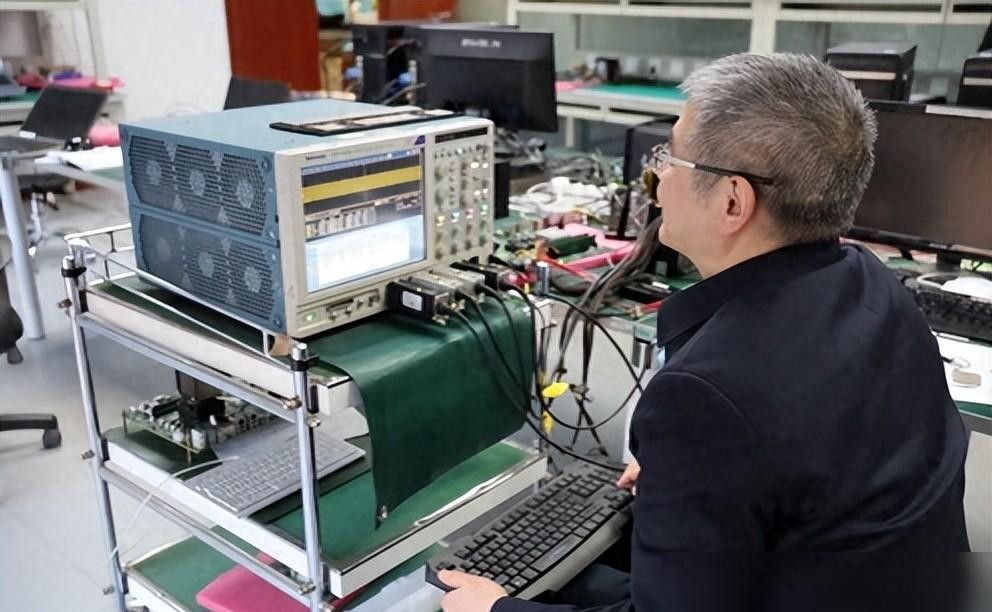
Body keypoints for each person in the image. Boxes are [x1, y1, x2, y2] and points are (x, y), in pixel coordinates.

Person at [437, 52, 971, 612]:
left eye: (670, 157)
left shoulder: (706, 396)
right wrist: (700, 468)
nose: (658, 178)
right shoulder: (873, 283)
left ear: (733, 201)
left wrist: (495, 610)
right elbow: (825, 450)